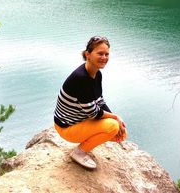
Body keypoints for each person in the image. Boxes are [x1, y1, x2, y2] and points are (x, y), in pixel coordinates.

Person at [53, 36, 127, 169]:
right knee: (113, 126)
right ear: (88, 54)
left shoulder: (96, 74)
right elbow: (94, 113)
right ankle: (79, 152)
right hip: (66, 127)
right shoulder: (81, 78)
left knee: (119, 130)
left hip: (79, 120)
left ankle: (88, 143)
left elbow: (100, 101)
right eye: (100, 53)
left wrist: (117, 121)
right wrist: (115, 117)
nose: (104, 57)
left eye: (106, 54)